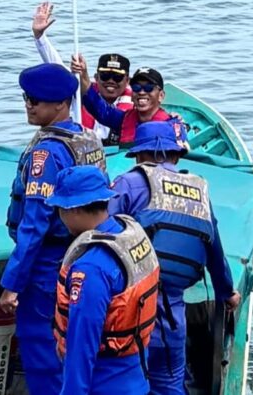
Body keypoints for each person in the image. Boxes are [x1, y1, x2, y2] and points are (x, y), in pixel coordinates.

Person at [0, 63, 107, 394]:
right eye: (26, 98)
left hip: (46, 267)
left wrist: (12, 284)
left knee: (43, 353)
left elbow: (34, 224)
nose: (29, 105)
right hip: (81, 254)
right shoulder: (85, 138)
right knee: (72, 351)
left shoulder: (47, 152)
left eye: (36, 100)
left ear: (61, 103)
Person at [110, 121, 241, 395]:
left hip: (129, 310)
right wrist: (227, 293)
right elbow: (215, 251)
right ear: (176, 154)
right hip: (173, 318)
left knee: (121, 382)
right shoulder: (198, 193)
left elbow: (102, 234)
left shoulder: (130, 183)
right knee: (170, 385)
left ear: (140, 155)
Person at [48, 166, 160, 395]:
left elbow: (82, 344)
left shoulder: (90, 268)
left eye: (60, 209)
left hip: (103, 384)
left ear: (74, 209)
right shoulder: (130, 234)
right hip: (136, 377)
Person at [30, 1, 131, 142]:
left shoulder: (136, 102)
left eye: (117, 77)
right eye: (105, 75)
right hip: (82, 150)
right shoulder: (81, 92)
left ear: (127, 81)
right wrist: (39, 36)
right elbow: (57, 67)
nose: (111, 81)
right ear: (96, 77)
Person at [71, 59, 182, 147]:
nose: (142, 92)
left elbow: (182, 152)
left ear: (161, 96)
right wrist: (83, 74)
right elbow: (97, 107)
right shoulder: (123, 119)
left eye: (148, 88)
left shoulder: (172, 125)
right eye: (137, 87)